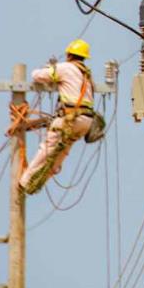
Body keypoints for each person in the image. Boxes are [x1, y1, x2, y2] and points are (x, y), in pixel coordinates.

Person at [20, 39, 96, 194]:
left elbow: (38, 76)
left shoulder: (66, 68)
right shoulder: (87, 74)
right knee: (61, 152)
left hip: (70, 118)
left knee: (47, 149)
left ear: (69, 54)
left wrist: (49, 68)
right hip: (86, 121)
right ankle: (38, 183)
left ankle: (25, 182)